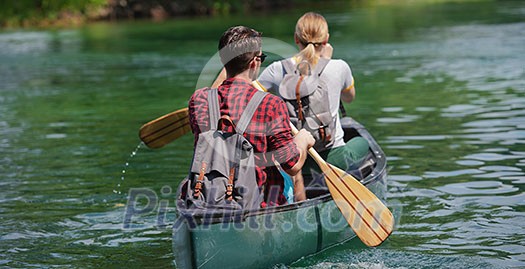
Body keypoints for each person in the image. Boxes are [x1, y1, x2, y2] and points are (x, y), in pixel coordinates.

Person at [188, 26, 315, 207]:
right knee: (292, 174)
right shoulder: (271, 104)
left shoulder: (198, 100)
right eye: (261, 58)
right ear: (254, 63)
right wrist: (302, 139)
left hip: (208, 200)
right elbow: (292, 165)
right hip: (258, 205)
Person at [257, 12, 370, 198]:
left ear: (296, 39)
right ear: (326, 39)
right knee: (363, 142)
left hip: (292, 162)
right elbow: (349, 98)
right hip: (332, 158)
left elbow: (252, 99)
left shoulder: (277, 69)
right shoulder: (339, 67)